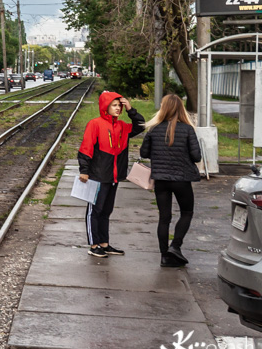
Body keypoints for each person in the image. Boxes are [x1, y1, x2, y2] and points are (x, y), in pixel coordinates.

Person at [77, 91, 145, 258]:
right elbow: (86, 148)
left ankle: (104, 244)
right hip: (98, 175)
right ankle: (94, 245)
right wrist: (84, 170)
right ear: (105, 107)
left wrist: (131, 109)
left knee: (106, 211)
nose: (118, 108)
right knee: (95, 211)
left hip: (114, 176)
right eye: (114, 105)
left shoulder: (122, 126)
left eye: (119, 106)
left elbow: (140, 125)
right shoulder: (95, 124)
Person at [139, 93, 202, 268]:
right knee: (186, 212)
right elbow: (196, 156)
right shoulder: (188, 129)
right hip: (182, 180)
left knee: (164, 217)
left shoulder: (154, 128)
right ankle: (175, 246)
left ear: (163, 108)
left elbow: (144, 153)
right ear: (181, 109)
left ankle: (164, 257)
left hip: (161, 180)